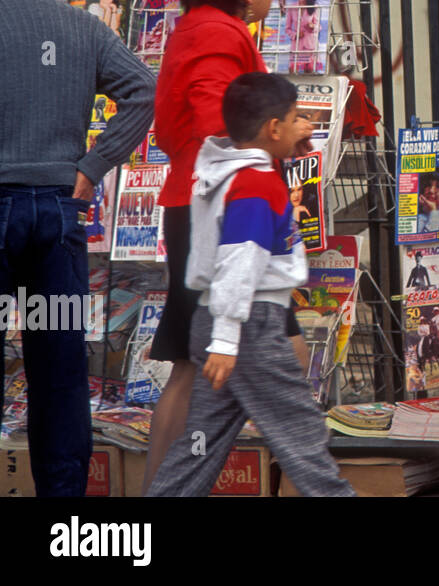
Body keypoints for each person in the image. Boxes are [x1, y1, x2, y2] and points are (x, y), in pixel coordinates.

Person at [146, 0, 310, 492]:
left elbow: (176, 126)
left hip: (204, 206)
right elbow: (221, 123)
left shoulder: (197, 27)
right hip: (224, 212)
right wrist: (274, 139)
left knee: (201, 367)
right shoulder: (218, 34)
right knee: (270, 356)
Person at [0, 0, 153, 496]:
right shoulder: (79, 27)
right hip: (58, 219)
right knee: (59, 368)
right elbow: (143, 89)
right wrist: (93, 167)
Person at [147, 73, 354, 497]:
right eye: (297, 119)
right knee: (302, 436)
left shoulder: (223, 171)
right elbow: (240, 261)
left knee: (200, 446)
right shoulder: (257, 184)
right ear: (272, 129)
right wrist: (227, 340)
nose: (306, 127)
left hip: (216, 318)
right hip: (249, 325)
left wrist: (220, 337)